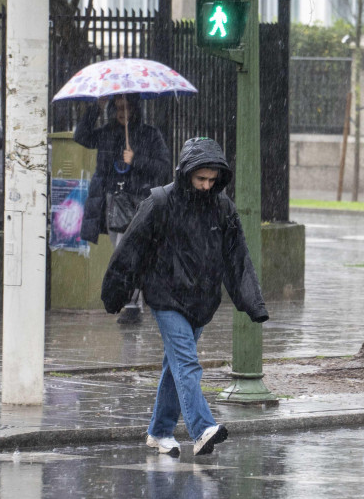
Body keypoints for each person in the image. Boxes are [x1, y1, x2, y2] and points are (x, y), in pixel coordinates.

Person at [102, 137, 269, 457]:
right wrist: (116, 293)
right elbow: (130, 250)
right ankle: (202, 427)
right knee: (187, 363)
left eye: (212, 180)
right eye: (200, 178)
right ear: (186, 173)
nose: (207, 186)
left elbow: (238, 258)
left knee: (175, 365)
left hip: (201, 300)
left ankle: (159, 431)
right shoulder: (160, 202)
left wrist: (253, 303)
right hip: (165, 297)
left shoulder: (223, 208)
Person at [74, 93, 171, 325]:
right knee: (121, 252)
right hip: (113, 203)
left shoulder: (149, 134)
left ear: (136, 109)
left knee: (129, 251)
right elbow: (82, 136)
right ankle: (133, 301)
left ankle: (132, 304)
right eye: (117, 108)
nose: (122, 113)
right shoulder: (107, 134)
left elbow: (163, 167)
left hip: (139, 203)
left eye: (127, 108)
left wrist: (135, 160)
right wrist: (95, 108)